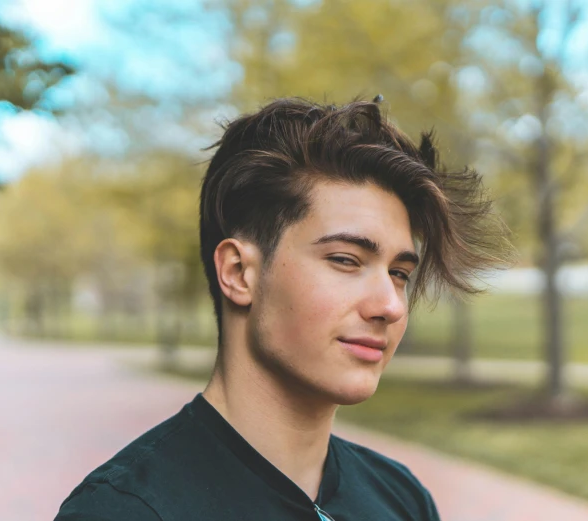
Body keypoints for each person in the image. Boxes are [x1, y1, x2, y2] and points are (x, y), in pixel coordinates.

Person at [54, 97, 506, 521]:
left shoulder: (401, 499)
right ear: (238, 272)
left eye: (399, 273)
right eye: (346, 261)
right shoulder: (126, 509)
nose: (389, 305)